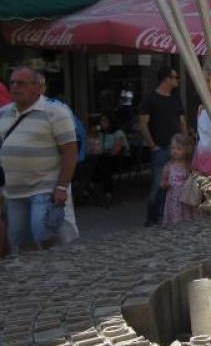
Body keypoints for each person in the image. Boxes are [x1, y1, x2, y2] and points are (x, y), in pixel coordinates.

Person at [0, 67, 78, 256]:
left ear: (37, 87)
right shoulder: (3, 113)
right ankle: (32, 274)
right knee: (20, 242)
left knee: (44, 237)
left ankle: (58, 269)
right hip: (14, 192)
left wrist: (61, 187)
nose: (15, 87)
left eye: (21, 83)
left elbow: (70, 153)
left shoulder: (56, 112)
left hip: (45, 188)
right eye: (12, 83)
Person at [139, 65, 188, 226]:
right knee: (158, 185)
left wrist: (186, 143)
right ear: (167, 78)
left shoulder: (175, 98)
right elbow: (143, 123)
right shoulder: (150, 98)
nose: (177, 80)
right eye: (175, 77)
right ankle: (152, 218)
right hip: (160, 148)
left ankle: (167, 215)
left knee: (177, 183)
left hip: (178, 149)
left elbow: (182, 122)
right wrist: (153, 145)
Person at [89, 113, 129, 205]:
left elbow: (116, 150)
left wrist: (105, 151)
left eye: (105, 120)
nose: (102, 123)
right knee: (103, 163)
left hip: (119, 159)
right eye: (101, 121)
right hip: (105, 159)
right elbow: (96, 146)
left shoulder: (118, 133)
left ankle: (93, 183)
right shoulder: (102, 134)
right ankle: (107, 192)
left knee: (104, 162)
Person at [161, 133, 196, 225]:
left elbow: (193, 180)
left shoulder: (188, 166)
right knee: (175, 219)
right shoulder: (168, 166)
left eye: (178, 149)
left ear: (186, 150)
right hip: (173, 199)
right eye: (172, 148)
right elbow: (163, 181)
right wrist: (166, 184)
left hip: (185, 198)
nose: (175, 151)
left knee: (186, 218)